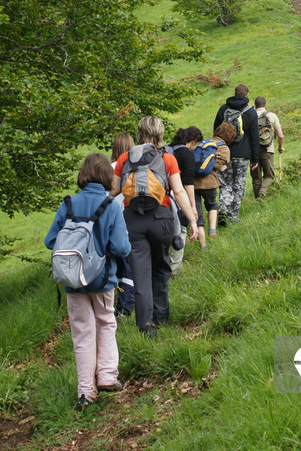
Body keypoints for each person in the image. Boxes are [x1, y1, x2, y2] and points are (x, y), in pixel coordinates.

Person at [44, 153, 131, 411]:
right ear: (106, 176)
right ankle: (106, 376)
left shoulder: (68, 203)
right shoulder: (111, 205)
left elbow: (51, 241)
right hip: (103, 280)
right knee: (106, 322)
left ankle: (85, 392)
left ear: (83, 174)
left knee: (82, 332)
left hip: (73, 280)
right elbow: (120, 247)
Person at [112, 116, 198, 336]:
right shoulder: (167, 158)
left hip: (133, 221)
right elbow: (178, 192)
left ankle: (146, 328)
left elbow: (113, 191)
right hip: (161, 219)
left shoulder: (124, 158)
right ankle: (162, 319)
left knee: (140, 276)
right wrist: (193, 222)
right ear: (159, 135)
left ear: (139, 133)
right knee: (161, 269)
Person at [213, 83, 260, 223]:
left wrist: (218, 149)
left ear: (234, 93)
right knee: (239, 185)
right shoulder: (250, 111)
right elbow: (254, 137)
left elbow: (216, 130)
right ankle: (233, 217)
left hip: (225, 153)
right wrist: (255, 158)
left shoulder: (224, 109)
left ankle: (224, 208)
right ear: (247, 95)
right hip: (243, 154)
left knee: (225, 183)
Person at [168, 126, 203, 275]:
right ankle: (175, 269)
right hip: (178, 197)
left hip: (161, 196)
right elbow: (188, 182)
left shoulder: (167, 149)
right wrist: (192, 206)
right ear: (193, 142)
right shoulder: (186, 154)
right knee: (180, 230)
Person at [194, 122, 235, 237]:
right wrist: (223, 167)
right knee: (212, 205)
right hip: (209, 182)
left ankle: (201, 242)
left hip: (193, 182)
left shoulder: (204, 143)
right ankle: (212, 231)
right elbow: (217, 165)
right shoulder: (223, 148)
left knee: (197, 212)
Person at [111, 133, 135, 318]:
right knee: (128, 267)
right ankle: (125, 307)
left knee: (114, 266)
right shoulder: (132, 165)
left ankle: (110, 306)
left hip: (108, 223)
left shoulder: (107, 169)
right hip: (126, 218)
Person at [251, 96, 284, 198]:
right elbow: (280, 135)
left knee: (256, 177)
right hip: (268, 149)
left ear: (255, 105)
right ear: (265, 105)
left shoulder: (250, 116)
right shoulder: (272, 116)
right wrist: (280, 147)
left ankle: (258, 199)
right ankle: (263, 192)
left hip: (253, 151)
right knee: (269, 175)